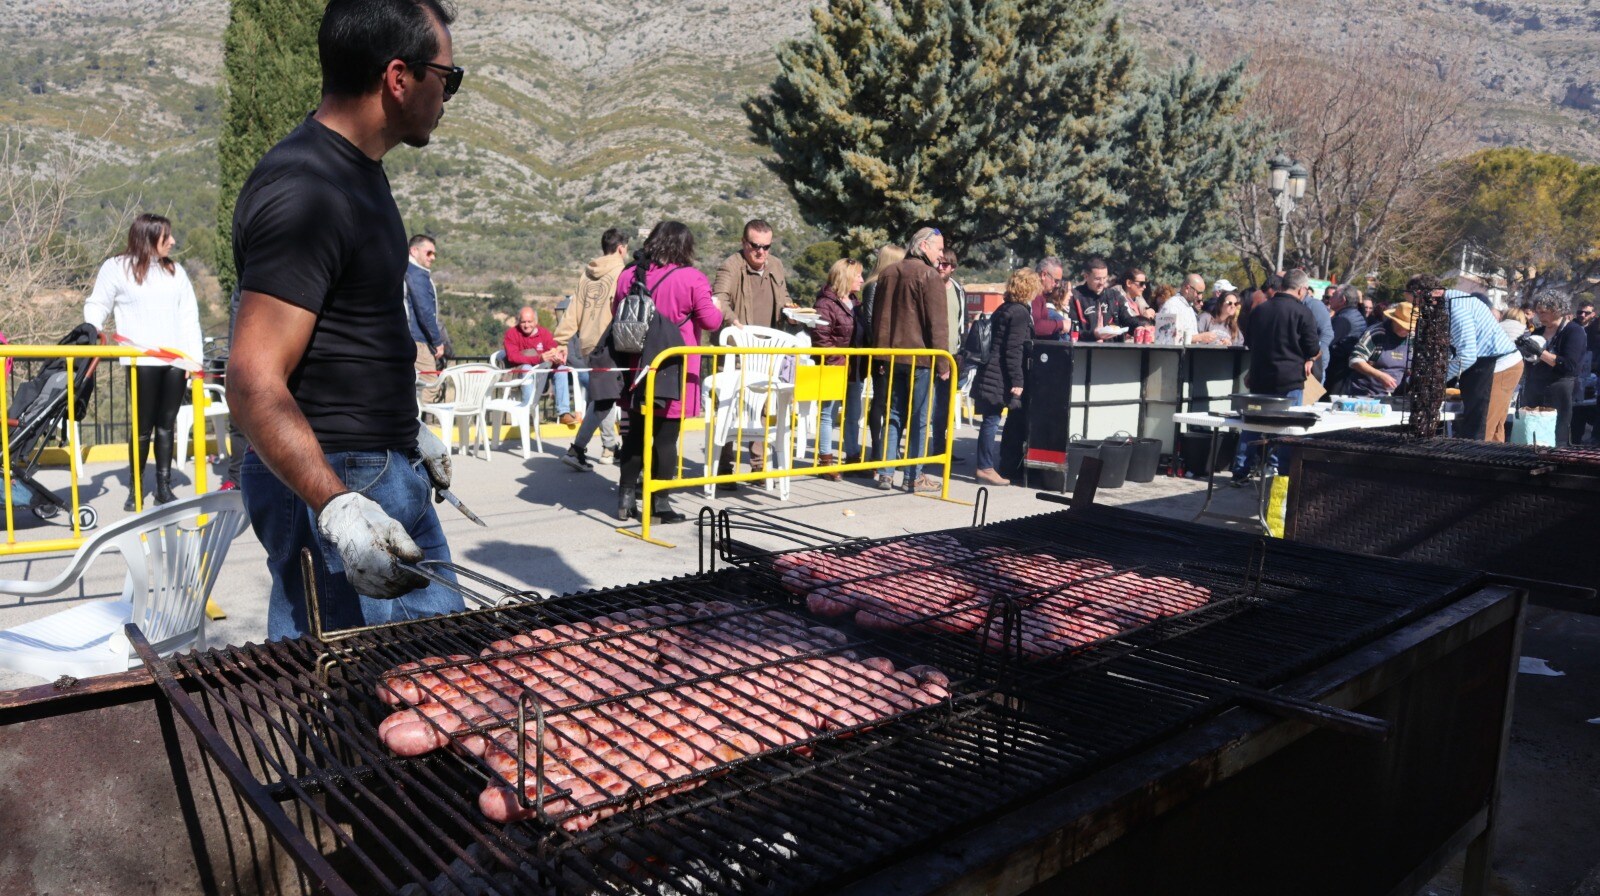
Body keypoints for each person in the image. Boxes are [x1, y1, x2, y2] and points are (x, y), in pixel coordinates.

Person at [229, 0, 466, 639]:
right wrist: (336, 507)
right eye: (448, 78)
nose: (449, 95)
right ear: (398, 77)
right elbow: (252, 381)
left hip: (387, 466)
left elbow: (354, 328)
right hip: (341, 475)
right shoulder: (308, 189)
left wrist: (406, 427)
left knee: (442, 679)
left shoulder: (360, 175)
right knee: (354, 702)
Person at [84, 212, 203, 509]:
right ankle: (135, 489)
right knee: (142, 428)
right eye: (167, 236)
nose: (173, 241)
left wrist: (194, 361)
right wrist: (91, 332)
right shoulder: (116, 268)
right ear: (148, 237)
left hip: (176, 361)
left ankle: (163, 487)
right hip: (140, 361)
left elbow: (189, 316)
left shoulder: (176, 271)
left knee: (167, 425)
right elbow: (97, 304)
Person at [611, 221, 722, 523]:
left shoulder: (629, 275)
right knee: (665, 439)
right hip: (675, 368)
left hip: (638, 367)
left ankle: (624, 501)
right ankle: (659, 504)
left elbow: (616, 312)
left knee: (634, 434)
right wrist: (717, 305)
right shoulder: (691, 278)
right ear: (685, 247)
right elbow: (711, 321)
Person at [871, 226, 950, 493]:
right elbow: (937, 325)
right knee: (919, 419)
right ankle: (913, 476)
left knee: (892, 415)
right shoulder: (930, 276)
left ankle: (885, 473)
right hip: (922, 359)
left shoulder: (888, 273)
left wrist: (880, 356)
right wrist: (943, 363)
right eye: (939, 248)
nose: (942, 255)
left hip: (892, 356)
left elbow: (879, 320)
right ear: (924, 246)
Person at [1230, 269, 1320, 483]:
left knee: (1252, 425)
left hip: (1260, 377)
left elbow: (1250, 342)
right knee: (1288, 429)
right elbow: (1312, 348)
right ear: (1301, 289)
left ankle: (1240, 471)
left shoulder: (1260, 310)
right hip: (1289, 380)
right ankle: (1284, 474)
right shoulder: (1303, 312)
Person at [552, 228, 627, 470]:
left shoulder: (586, 274)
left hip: (588, 343)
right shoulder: (622, 271)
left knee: (603, 396)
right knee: (607, 398)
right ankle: (578, 449)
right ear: (621, 248)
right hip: (612, 342)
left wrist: (561, 340)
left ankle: (609, 447)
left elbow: (573, 311)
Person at [972, 268, 1037, 486]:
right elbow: (1013, 350)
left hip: (990, 372)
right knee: (991, 421)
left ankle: (987, 466)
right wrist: (1018, 381)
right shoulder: (1020, 313)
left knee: (990, 419)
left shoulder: (1005, 308)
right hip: (999, 375)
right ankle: (985, 467)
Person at [1441, 281, 1520, 442]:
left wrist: (1441, 379)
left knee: (1481, 428)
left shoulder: (1456, 307)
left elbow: (1467, 355)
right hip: (1496, 365)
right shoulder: (1459, 301)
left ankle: (1474, 464)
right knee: (1493, 427)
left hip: (1498, 367)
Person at [812, 257, 865, 479]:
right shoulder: (825, 304)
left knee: (854, 414)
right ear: (846, 277)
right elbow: (820, 337)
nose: (862, 280)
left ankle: (852, 457)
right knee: (828, 413)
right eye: (858, 275)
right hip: (833, 366)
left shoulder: (855, 302)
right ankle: (826, 460)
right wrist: (839, 358)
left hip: (855, 367)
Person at [858, 244, 905, 474]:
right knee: (881, 400)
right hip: (880, 352)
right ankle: (877, 451)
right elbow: (870, 322)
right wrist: (881, 353)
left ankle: (888, 449)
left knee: (892, 402)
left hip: (893, 352)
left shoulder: (891, 286)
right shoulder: (874, 286)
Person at [1518, 292, 1587, 447]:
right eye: (1538, 312)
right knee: (1531, 436)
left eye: (1543, 312)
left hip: (1559, 390)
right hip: (1534, 388)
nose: (1539, 316)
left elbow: (1569, 365)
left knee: (1556, 437)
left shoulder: (1574, 331)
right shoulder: (1537, 332)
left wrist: (1540, 352)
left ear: (1557, 309)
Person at [713, 218, 791, 331]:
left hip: (772, 343)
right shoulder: (730, 267)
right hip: (739, 342)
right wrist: (733, 321)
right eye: (755, 246)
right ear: (743, 242)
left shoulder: (776, 265)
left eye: (766, 247)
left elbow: (783, 296)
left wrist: (792, 315)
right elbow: (719, 300)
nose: (761, 251)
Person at [930, 248, 965, 461]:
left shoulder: (958, 290)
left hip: (953, 355)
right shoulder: (929, 287)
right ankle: (914, 451)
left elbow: (963, 320)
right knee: (925, 406)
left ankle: (941, 449)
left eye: (946, 264)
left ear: (953, 268)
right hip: (931, 354)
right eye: (939, 263)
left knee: (944, 407)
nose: (941, 267)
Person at [502, 306, 562, 426]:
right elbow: (513, 357)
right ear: (519, 321)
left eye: (529, 321)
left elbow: (553, 347)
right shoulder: (511, 334)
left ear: (536, 322)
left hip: (541, 372)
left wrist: (556, 355)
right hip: (518, 373)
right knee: (527, 368)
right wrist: (539, 358)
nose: (526, 325)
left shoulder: (544, 333)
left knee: (561, 370)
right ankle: (528, 411)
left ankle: (564, 411)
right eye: (523, 321)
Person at [405, 234, 446, 404]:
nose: (433, 258)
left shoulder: (404, 271)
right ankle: (422, 427)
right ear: (414, 251)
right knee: (431, 385)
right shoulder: (416, 275)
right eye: (429, 253)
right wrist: (437, 341)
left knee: (411, 386)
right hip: (419, 341)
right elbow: (424, 311)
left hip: (408, 337)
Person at [1345, 301, 1415, 396]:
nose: (1407, 330)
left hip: (1394, 395)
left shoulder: (1411, 337)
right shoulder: (1377, 333)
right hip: (1366, 392)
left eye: (1409, 328)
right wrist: (1380, 375)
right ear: (1394, 320)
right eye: (1403, 326)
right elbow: (1355, 360)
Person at [1065, 257, 1136, 342]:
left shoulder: (1114, 296)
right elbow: (1071, 330)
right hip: (1083, 350)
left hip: (1112, 350)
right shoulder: (1075, 296)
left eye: (1105, 278)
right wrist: (1094, 335)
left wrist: (1139, 326)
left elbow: (1128, 319)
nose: (1102, 283)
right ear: (1086, 276)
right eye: (1097, 279)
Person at [1325, 285, 1369, 391]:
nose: (1330, 298)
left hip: (1339, 372)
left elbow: (1326, 342)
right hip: (1348, 371)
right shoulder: (1355, 314)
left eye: (1334, 295)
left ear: (1342, 300)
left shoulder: (1343, 319)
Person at [1031, 256, 1068, 339]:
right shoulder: (1034, 294)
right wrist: (1061, 324)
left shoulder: (1040, 295)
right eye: (1056, 281)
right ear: (1043, 275)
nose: (1057, 285)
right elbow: (1035, 326)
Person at [1305, 283, 1334, 382]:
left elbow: (1327, 335)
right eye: (1327, 297)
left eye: (1332, 297)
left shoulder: (1315, 306)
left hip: (1314, 368)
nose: (1329, 300)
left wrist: (1312, 359)